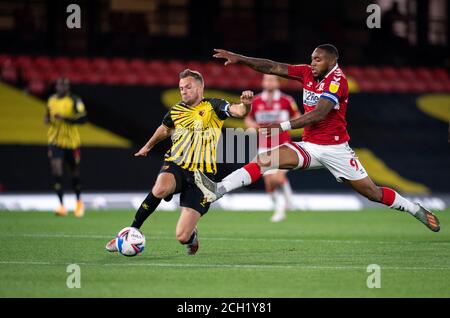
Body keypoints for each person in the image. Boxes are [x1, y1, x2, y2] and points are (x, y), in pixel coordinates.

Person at [193, 45, 440, 232]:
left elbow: (319, 113)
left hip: (336, 149)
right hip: (310, 146)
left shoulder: (337, 81)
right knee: (265, 159)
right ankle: (218, 190)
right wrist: (241, 59)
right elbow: (272, 66)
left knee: (372, 193)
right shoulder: (307, 73)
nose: (312, 62)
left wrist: (282, 126)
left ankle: (414, 209)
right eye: (311, 58)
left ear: (333, 61)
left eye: (318, 59)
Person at [106, 69, 254, 255]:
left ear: (200, 88)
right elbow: (165, 128)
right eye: (181, 88)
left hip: (203, 176)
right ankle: (130, 231)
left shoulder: (214, 106)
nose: (183, 91)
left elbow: (238, 111)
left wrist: (246, 106)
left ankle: (192, 238)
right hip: (177, 163)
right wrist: (148, 146)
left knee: (182, 236)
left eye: (188, 87)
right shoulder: (177, 110)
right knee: (160, 189)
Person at [246, 74, 300, 222]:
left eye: (272, 79)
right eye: (266, 79)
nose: (268, 82)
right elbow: (248, 118)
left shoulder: (286, 100)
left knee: (277, 178)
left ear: (278, 83)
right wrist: (253, 126)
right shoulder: (256, 101)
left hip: (283, 145)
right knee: (269, 182)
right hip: (264, 145)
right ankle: (285, 204)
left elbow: (298, 116)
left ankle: (282, 207)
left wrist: (285, 124)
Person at [45, 77, 87, 217]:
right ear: (56, 86)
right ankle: (61, 206)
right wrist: (47, 119)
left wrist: (65, 119)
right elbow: (47, 116)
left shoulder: (74, 100)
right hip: (55, 141)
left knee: (74, 173)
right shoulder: (51, 100)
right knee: (56, 171)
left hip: (72, 142)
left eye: (64, 86)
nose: (61, 88)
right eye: (59, 85)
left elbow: (83, 118)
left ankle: (79, 203)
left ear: (68, 88)